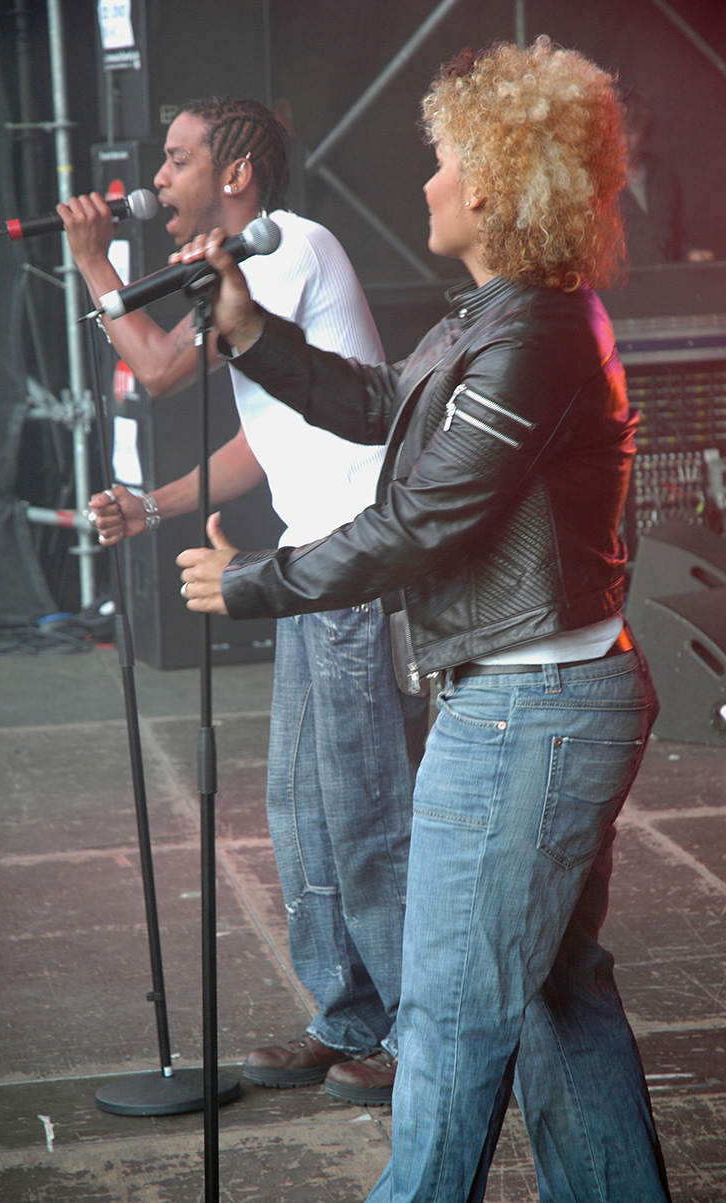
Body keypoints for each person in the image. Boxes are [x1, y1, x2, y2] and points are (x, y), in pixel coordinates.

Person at [176, 41, 673, 1201]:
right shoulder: (500, 321)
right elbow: (379, 406)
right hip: (531, 702)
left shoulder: (537, 335)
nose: (427, 181)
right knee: (553, 998)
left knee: (447, 1018)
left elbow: (419, 520)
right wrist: (249, 331)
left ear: (493, 185)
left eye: (444, 159)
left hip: (528, 714)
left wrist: (256, 583)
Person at [57, 96, 428, 1106]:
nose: (157, 179)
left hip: (354, 571)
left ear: (236, 174)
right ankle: (347, 1016)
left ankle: (415, 1033)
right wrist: (154, 505)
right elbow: (262, 440)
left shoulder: (287, 247)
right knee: (302, 811)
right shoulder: (237, 272)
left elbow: (160, 371)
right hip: (312, 569)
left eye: (177, 159)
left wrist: (94, 260)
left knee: (363, 810)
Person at [621, 88, 713, 266]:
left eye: (632, 131)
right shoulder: (595, 181)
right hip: (618, 282)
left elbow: (676, 235)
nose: (624, 141)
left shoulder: (663, 174)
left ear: (645, 130)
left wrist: (691, 254)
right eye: (618, 131)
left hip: (664, 279)